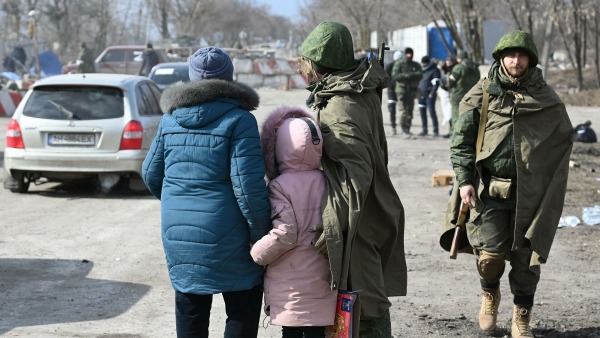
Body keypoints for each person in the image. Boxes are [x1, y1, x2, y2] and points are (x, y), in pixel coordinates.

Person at [449, 31, 573, 337]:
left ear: (530, 59)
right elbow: (462, 142)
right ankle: (489, 296)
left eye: (521, 55)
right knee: (489, 259)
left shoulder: (546, 100)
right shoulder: (482, 94)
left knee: (526, 262)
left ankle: (521, 318)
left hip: (530, 197)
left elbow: (562, 143)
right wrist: (464, 181)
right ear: (500, 58)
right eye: (509, 55)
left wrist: (549, 185)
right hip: (487, 192)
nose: (515, 61)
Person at [141, 46, 271, 338]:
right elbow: (248, 189)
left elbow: (150, 173)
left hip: (178, 231)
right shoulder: (240, 120)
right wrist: (261, 235)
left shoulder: (170, 119)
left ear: (191, 76)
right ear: (229, 77)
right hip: (230, 234)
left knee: (191, 308)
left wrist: (178, 202)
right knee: (241, 307)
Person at [298, 21, 406, 337]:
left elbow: (355, 177)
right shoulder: (355, 88)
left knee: (365, 304)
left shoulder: (340, 106)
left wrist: (333, 228)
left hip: (356, 220)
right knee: (363, 299)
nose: (301, 69)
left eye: (304, 62)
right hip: (369, 209)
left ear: (318, 64)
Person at [250, 106, 337, 338]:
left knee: (292, 330)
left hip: (291, 280)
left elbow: (285, 233)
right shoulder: (327, 180)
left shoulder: (280, 186)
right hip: (322, 275)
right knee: (317, 330)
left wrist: (257, 253)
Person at [391, 47, 423, 138]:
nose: (409, 55)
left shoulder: (415, 65)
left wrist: (412, 75)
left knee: (410, 111)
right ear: (405, 54)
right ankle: (403, 129)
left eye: (411, 53)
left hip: (412, 90)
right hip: (401, 90)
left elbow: (420, 73)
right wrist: (405, 75)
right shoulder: (399, 64)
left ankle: (408, 129)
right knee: (403, 111)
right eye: (408, 53)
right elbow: (395, 75)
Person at [448, 50, 480, 130]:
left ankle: (455, 133)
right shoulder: (475, 68)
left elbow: (450, 82)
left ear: (460, 58)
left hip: (458, 95)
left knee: (456, 116)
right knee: (469, 117)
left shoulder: (458, 68)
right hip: (472, 95)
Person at [417, 55, 441, 137]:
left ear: (427, 63)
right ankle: (424, 130)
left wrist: (432, 93)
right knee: (422, 113)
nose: (422, 64)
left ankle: (435, 131)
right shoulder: (422, 70)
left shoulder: (435, 70)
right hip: (420, 95)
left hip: (429, 95)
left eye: (423, 63)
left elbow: (436, 83)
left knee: (432, 113)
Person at [385, 51, 403, 135]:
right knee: (392, 109)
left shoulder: (404, 66)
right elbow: (386, 78)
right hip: (392, 90)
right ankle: (393, 127)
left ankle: (404, 128)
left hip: (402, 90)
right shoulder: (389, 66)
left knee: (403, 110)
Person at [439, 56, 456, 138]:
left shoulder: (455, 69)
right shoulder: (443, 69)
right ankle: (450, 130)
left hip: (452, 92)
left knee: (452, 111)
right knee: (447, 111)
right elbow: (441, 79)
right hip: (444, 92)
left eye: (449, 61)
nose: (448, 62)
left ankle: (452, 131)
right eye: (447, 60)